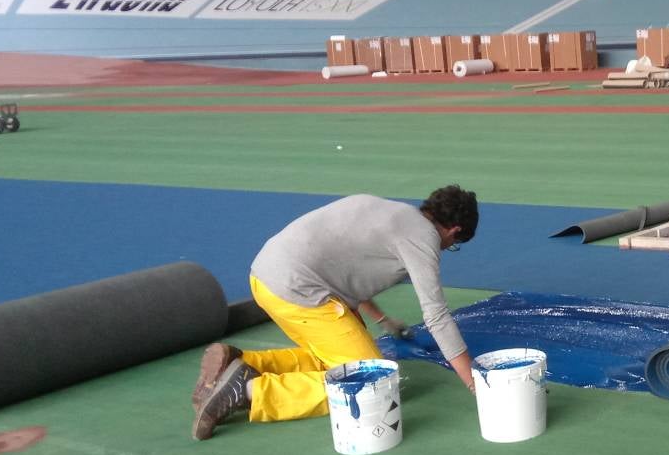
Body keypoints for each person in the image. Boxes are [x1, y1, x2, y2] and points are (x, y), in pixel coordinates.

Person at [191, 186, 479, 440]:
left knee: (336, 354)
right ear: (454, 231)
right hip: (298, 289)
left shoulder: (387, 210)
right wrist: (474, 382)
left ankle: (241, 363)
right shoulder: (423, 237)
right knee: (371, 380)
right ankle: (249, 390)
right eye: (453, 245)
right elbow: (437, 315)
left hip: (265, 277)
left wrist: (382, 320)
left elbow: (348, 271)